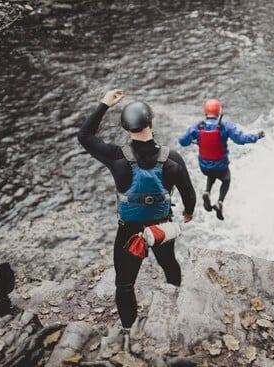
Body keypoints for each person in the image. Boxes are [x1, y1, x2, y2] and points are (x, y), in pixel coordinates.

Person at [78, 89, 196, 349]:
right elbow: (189, 194)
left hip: (128, 232)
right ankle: (173, 300)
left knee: (124, 283)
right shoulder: (172, 159)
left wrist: (105, 104)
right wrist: (188, 212)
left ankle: (129, 332)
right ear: (151, 123)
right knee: (169, 264)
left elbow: (84, 136)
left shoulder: (116, 156)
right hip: (161, 227)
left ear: (125, 129)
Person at [178, 98, 264, 220]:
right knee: (226, 179)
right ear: (219, 112)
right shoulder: (225, 126)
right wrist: (256, 136)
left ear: (205, 113)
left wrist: (194, 140)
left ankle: (207, 191)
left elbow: (182, 141)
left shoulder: (198, 127)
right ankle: (220, 202)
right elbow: (240, 139)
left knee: (211, 171)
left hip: (204, 167)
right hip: (221, 167)